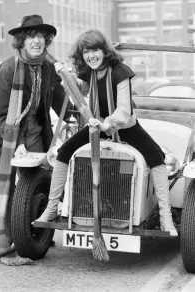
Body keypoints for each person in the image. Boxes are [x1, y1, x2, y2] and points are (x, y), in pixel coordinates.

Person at [35, 29, 178, 237]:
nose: (90, 55)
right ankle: (50, 209)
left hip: (124, 127)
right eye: (86, 51)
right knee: (64, 151)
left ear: (104, 51)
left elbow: (123, 110)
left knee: (157, 157)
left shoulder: (120, 72)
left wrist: (108, 123)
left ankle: (166, 217)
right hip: (95, 125)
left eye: (95, 50)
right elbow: (81, 92)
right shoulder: (87, 71)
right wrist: (65, 75)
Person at [0, 14, 72, 260]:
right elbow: (1, 114)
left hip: (35, 130)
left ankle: (32, 233)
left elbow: (60, 101)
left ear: (46, 41)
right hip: (4, 133)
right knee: (13, 190)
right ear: (22, 41)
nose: (36, 41)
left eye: (40, 37)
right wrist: (19, 144)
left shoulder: (48, 67)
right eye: (31, 36)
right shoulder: (7, 69)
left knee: (37, 182)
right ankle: (6, 244)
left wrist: (82, 116)